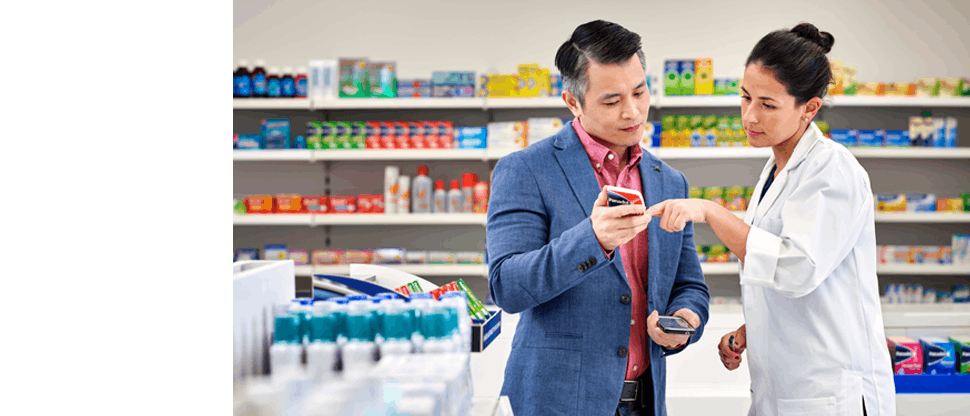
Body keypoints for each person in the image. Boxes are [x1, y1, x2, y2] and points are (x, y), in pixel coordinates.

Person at [644, 23, 895, 416]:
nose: (749, 116)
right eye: (745, 98)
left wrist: (710, 210)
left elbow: (796, 268)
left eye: (768, 104)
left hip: (830, 393)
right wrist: (753, 332)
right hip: (783, 388)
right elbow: (791, 278)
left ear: (809, 108)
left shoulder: (832, 170)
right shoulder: (777, 168)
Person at [486, 20, 710, 416]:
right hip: (555, 403)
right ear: (573, 102)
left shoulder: (670, 181)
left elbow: (689, 284)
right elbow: (507, 286)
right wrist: (593, 239)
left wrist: (686, 318)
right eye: (611, 101)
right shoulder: (525, 169)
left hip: (645, 401)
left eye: (640, 92)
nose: (633, 111)